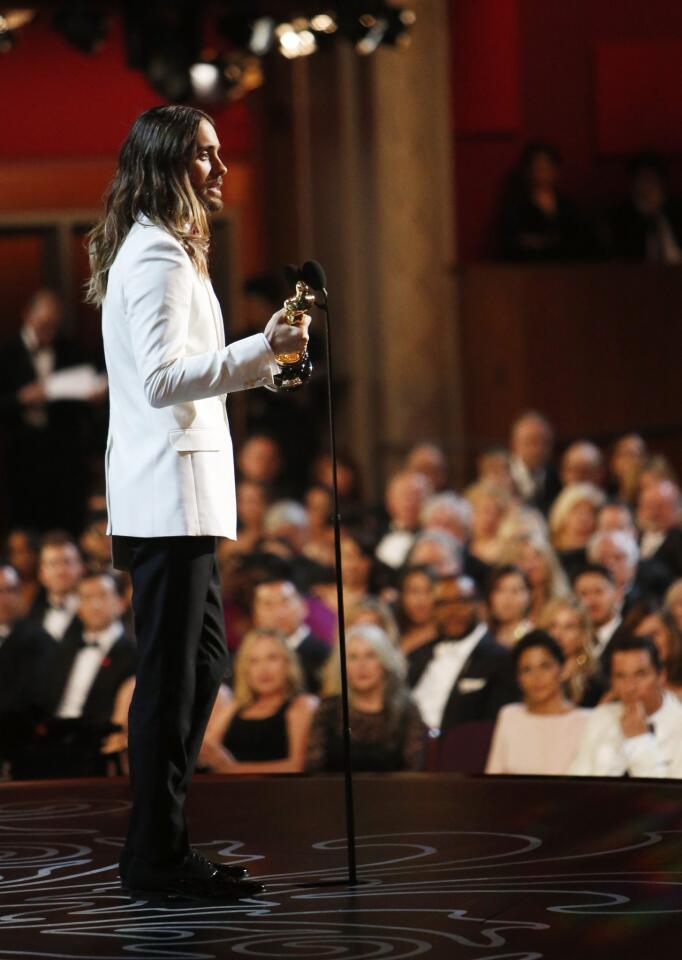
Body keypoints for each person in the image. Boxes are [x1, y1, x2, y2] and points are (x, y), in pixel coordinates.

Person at [87, 105, 310, 900]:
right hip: (167, 498)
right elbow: (156, 382)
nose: (219, 170)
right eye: (206, 157)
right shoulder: (156, 258)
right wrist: (258, 349)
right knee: (171, 678)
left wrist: (265, 357)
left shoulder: (169, 251)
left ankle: (161, 843)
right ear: (170, 163)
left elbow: (190, 369)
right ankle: (155, 854)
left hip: (184, 498)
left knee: (201, 664)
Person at [0, 289, 98, 534]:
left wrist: (91, 396)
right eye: (44, 324)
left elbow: (82, 397)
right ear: (27, 316)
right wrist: (21, 398)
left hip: (63, 459)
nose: (49, 332)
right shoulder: (7, 354)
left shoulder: (70, 350)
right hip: (21, 457)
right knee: (27, 527)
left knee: (67, 524)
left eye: (54, 325)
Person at [306, 623, 426, 772]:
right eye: (353, 658)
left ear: (384, 663)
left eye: (370, 656)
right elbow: (313, 769)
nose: (361, 666)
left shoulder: (406, 711)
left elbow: (413, 771)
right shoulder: (328, 709)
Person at [408, 575, 517, 737]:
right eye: (443, 604)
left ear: (479, 606)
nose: (452, 611)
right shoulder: (417, 656)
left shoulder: (500, 659)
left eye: (461, 601)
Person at [199, 629, 317, 773]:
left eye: (272, 658)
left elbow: (297, 766)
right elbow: (206, 749)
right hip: (229, 790)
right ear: (245, 669)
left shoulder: (301, 705)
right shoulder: (235, 706)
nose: (263, 669)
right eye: (254, 661)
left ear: (288, 663)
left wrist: (232, 769)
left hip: (280, 791)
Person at [569, 636, 682, 778]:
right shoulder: (601, 717)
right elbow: (576, 783)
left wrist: (639, 740)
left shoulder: (679, 723)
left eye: (640, 675)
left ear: (661, 676)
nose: (630, 686)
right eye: (620, 676)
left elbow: (669, 797)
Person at [486, 631, 589, 775]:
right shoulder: (509, 715)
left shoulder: (586, 721)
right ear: (518, 678)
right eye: (527, 670)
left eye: (545, 666)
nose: (537, 677)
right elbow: (493, 780)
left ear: (561, 669)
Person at [0, 563, 55, 772]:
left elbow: (33, 699)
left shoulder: (39, 640)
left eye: (11, 590)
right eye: (0, 591)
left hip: (19, 745)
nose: (5, 599)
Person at [251, 578, 330, 694]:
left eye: (285, 602)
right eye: (268, 605)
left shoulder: (325, 655)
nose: (278, 613)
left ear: (303, 607)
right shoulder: (246, 656)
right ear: (255, 614)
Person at [538, 597, 603, 706]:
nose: (558, 635)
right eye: (553, 626)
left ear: (582, 634)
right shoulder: (533, 672)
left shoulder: (592, 678)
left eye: (569, 627)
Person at [27, 532, 83, 641]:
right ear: (41, 573)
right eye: (53, 564)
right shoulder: (31, 616)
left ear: (81, 568)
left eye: (67, 562)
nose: (60, 571)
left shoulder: (97, 612)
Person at [548, 482, 605, 578]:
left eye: (590, 512)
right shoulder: (549, 554)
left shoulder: (599, 555)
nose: (584, 518)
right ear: (562, 514)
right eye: (576, 510)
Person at [508, 411, 560, 514]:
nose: (539, 450)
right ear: (515, 444)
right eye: (532, 442)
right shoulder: (501, 474)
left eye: (545, 443)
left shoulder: (558, 477)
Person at [572, 564, 623, 666]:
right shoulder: (574, 642)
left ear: (616, 594)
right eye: (584, 594)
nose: (592, 601)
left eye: (598, 592)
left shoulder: (629, 633)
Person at [485, 565, 533, 648]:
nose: (508, 598)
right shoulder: (484, 634)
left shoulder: (531, 637)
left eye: (515, 591)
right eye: (500, 590)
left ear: (528, 596)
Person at [395, 564, 438, 655]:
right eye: (414, 591)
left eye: (429, 590)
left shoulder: (446, 637)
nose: (421, 599)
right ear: (402, 596)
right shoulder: (393, 634)